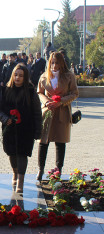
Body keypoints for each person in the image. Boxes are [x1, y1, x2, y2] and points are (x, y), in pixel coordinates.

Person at [0, 63, 42, 193]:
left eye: (21, 76)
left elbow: (37, 112)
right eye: (16, 75)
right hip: (10, 128)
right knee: (11, 153)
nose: (17, 78)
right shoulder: (6, 90)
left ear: (25, 77)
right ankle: (15, 173)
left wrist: (38, 131)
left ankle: (21, 181)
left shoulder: (30, 91)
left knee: (22, 154)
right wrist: (5, 119)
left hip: (26, 129)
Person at [36, 52, 79, 181]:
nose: (54, 65)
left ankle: (58, 169)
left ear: (62, 63)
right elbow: (39, 92)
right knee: (43, 142)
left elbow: (75, 93)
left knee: (60, 143)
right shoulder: (44, 76)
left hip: (62, 112)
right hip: (48, 112)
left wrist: (61, 101)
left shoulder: (68, 76)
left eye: (57, 62)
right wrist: (46, 101)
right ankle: (40, 169)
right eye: (52, 62)